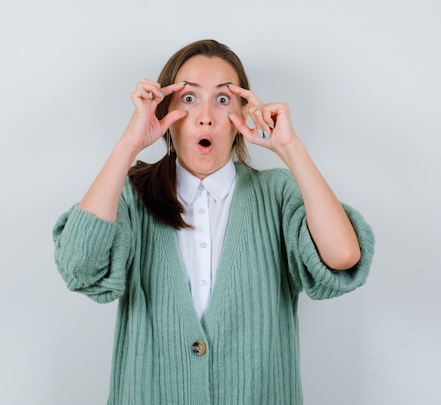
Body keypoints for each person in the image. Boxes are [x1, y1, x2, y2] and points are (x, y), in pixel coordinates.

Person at [52, 39, 374, 405]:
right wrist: (128, 144)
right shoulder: (130, 196)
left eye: (223, 100)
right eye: (189, 99)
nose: (206, 116)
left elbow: (343, 255)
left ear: (242, 114)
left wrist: (291, 148)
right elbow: (78, 266)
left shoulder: (277, 193)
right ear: (164, 111)